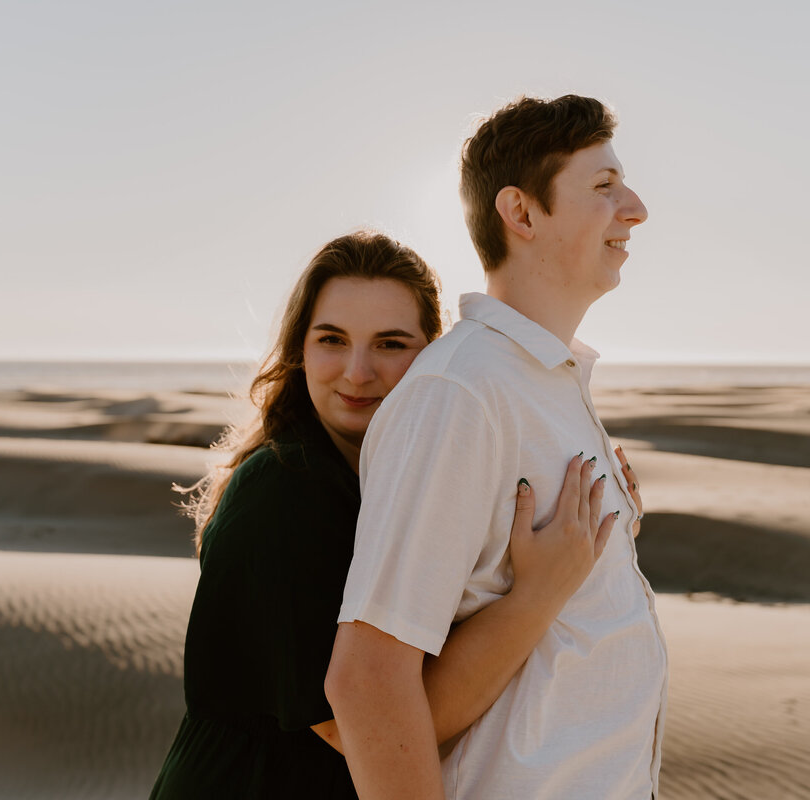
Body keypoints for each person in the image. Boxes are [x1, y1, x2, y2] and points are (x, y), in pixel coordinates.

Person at [148, 230, 618, 799]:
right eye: (332, 340)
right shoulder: (284, 493)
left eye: (391, 344)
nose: (357, 372)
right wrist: (538, 596)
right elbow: (368, 727)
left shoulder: (388, 481)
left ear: (432, 355)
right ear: (301, 350)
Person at [326, 96, 666, 800]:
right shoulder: (461, 394)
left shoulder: (546, 383)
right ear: (521, 212)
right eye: (603, 186)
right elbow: (365, 679)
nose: (633, 208)